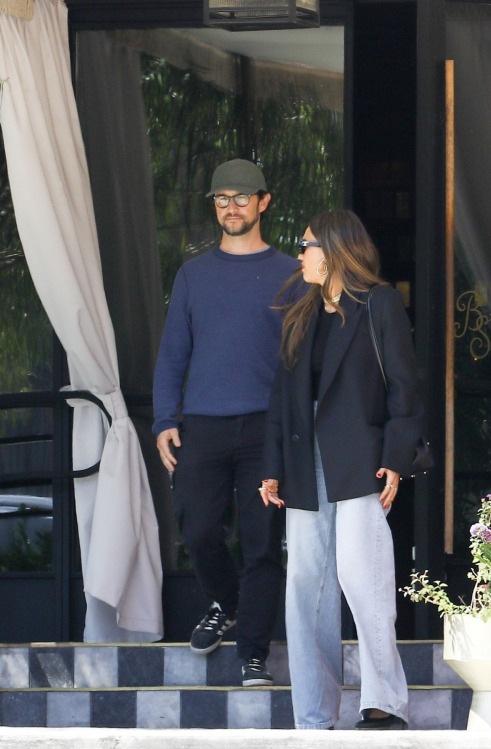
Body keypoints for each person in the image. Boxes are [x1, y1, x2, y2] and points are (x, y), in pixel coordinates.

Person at [259, 209, 424, 730]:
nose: (300, 252)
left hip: (360, 458)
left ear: (333, 250)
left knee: (360, 572)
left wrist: (396, 457)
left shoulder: (377, 304)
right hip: (305, 460)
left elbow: (404, 386)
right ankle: (313, 714)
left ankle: (384, 702)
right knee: (306, 584)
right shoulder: (302, 313)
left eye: (306, 244)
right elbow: (281, 399)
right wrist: (273, 467)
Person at [153, 159, 298, 687]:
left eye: (241, 198)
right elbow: (173, 354)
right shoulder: (193, 274)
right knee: (196, 528)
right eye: (221, 199)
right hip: (203, 426)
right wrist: (165, 417)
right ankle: (227, 602)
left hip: (266, 429)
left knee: (262, 542)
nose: (230, 207)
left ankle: (253, 654)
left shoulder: (292, 273)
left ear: (264, 202)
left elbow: (302, 358)